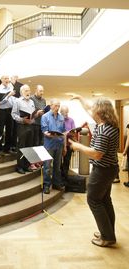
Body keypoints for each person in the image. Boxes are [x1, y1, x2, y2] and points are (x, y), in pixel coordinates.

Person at [69, 95, 119, 247]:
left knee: (94, 200)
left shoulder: (104, 130)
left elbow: (97, 154)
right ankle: (108, 232)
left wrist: (78, 146)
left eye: (95, 108)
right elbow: (88, 108)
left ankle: (107, 237)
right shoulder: (108, 124)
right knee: (104, 200)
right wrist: (80, 98)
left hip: (102, 170)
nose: (92, 110)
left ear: (100, 111)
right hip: (110, 169)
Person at [41, 98, 66, 194]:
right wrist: (52, 134)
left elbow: (63, 132)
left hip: (59, 145)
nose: (57, 107)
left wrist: (64, 147)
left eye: (59, 106)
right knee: (47, 167)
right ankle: (46, 185)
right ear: (51, 105)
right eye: (56, 105)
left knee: (57, 166)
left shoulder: (61, 117)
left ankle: (56, 183)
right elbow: (44, 131)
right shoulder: (45, 117)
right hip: (49, 145)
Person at [60, 105, 76, 186]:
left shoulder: (71, 120)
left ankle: (65, 179)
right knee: (59, 162)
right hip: (59, 144)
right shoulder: (58, 120)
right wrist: (65, 133)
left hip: (68, 144)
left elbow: (73, 133)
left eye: (67, 112)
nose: (66, 114)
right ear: (61, 112)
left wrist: (67, 133)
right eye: (64, 112)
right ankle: (60, 178)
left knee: (66, 162)